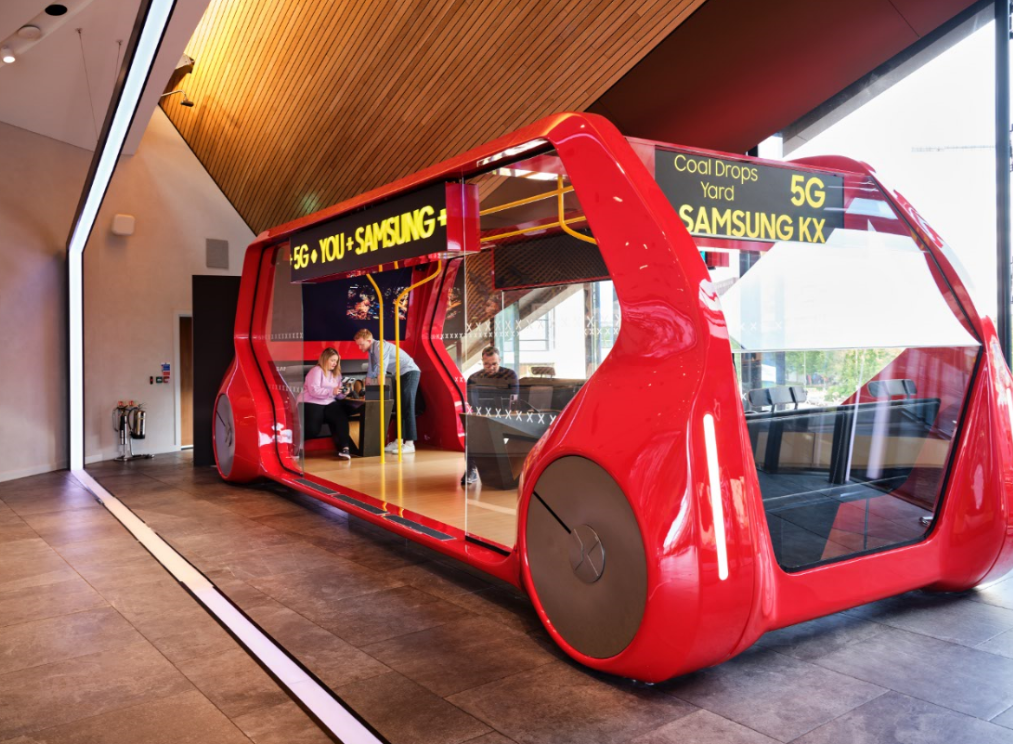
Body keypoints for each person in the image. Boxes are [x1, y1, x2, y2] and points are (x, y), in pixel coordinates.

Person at [354, 329, 420, 454]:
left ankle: (410, 443)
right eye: (358, 345)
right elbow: (371, 373)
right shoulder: (371, 351)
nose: (359, 347)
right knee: (399, 408)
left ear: (369, 341)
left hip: (410, 373)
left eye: (361, 344)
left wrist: (381, 394)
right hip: (400, 375)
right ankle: (399, 441)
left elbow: (381, 371)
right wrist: (367, 393)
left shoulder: (379, 347)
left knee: (407, 407)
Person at [462, 346, 519, 485]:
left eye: (494, 364)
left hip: (505, 416)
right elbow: (473, 404)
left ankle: (508, 470)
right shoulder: (474, 378)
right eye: (487, 364)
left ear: (500, 360)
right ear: (482, 362)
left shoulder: (510, 375)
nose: (491, 367)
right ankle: (470, 469)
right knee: (471, 432)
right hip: (484, 416)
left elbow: (514, 399)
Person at [299, 348, 352, 459]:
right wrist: (331, 391)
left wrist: (343, 393)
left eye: (336, 361)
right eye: (332, 360)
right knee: (312, 430)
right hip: (311, 401)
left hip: (329, 401)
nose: (335, 363)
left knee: (340, 417)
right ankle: (295, 444)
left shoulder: (336, 374)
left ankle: (344, 448)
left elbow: (337, 395)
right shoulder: (316, 370)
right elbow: (314, 391)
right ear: (325, 359)